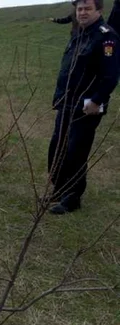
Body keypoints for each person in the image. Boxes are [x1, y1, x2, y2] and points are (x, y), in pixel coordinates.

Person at [48, 0, 120, 214]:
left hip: (87, 106)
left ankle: (72, 197)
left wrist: (97, 100)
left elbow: (110, 75)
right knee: (56, 147)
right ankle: (58, 189)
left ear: (99, 10)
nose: (82, 12)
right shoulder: (79, 33)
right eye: (79, 9)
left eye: (88, 8)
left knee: (76, 151)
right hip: (66, 102)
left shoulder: (106, 36)